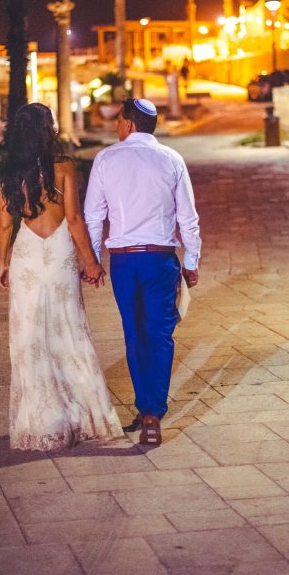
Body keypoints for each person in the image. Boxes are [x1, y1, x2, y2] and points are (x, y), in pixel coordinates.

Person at [0, 103, 123, 451]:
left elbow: (6, 223)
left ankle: (40, 420)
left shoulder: (10, 173)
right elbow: (75, 219)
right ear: (48, 129)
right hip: (60, 251)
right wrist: (91, 262)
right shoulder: (64, 167)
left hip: (27, 255)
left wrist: (3, 262)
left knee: (30, 337)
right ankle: (83, 415)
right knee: (69, 329)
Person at [84, 97, 201, 447]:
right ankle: (152, 412)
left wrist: (93, 261)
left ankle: (148, 410)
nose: (117, 125)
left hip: (124, 262)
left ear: (130, 124)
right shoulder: (172, 159)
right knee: (161, 335)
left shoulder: (106, 159)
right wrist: (191, 262)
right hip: (160, 259)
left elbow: (94, 216)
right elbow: (187, 217)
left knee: (135, 334)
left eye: (120, 120)